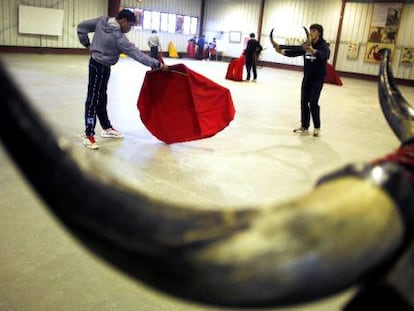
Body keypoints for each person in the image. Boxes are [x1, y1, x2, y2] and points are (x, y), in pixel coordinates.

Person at [77, 9, 167, 149]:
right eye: (130, 25)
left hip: (101, 65)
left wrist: (87, 44)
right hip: (98, 67)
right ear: (123, 21)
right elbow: (137, 54)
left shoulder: (102, 21)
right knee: (93, 99)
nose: (130, 29)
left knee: (101, 97)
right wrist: (157, 64)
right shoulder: (119, 38)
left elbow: (81, 27)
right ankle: (88, 134)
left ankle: (106, 128)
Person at [273, 24, 330, 137]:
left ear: (319, 32)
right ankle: (304, 126)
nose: (311, 32)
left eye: (314, 30)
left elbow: (325, 56)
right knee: (304, 102)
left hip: (318, 79)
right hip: (307, 78)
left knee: (313, 103)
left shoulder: (323, 45)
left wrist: (313, 51)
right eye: (310, 30)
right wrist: (281, 50)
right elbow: (296, 51)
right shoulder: (306, 44)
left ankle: (317, 127)